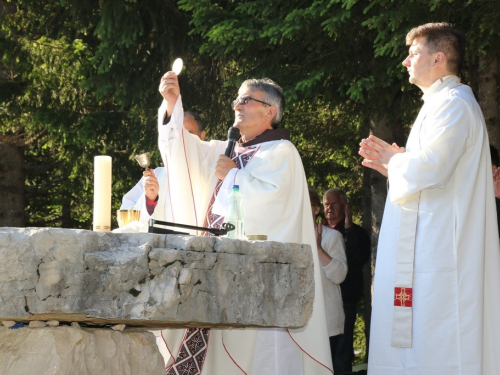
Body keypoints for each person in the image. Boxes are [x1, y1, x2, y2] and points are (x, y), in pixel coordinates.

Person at [155, 73, 334, 374]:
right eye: (237, 98)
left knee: (260, 359)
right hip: (214, 271)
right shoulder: (224, 150)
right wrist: (172, 105)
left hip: (261, 282)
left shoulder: (282, 152)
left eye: (246, 99)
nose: (237, 104)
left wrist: (233, 176)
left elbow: (273, 205)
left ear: (269, 112)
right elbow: (184, 153)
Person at [359, 22, 500, 374]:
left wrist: (395, 161)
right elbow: (427, 168)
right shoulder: (438, 102)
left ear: (438, 58)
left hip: (443, 252)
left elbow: (432, 167)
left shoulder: (454, 103)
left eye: (413, 54)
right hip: (426, 246)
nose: (406, 62)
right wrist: (395, 163)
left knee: (440, 341)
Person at [120, 111, 206, 225]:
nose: (183, 142)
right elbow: (125, 219)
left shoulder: (210, 174)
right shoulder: (157, 176)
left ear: (202, 136)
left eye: (189, 134)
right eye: (178, 136)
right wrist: (150, 200)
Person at [322, 189, 370, 373]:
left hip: (345, 301)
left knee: (341, 352)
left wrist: (349, 228)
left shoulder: (356, 232)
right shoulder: (319, 230)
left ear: (344, 206)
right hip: (324, 300)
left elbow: (358, 258)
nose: (329, 208)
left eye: (334, 203)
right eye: (326, 204)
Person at [309, 187, 348, 373]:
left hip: (328, 327)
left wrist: (318, 249)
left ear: (316, 209)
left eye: (304, 204)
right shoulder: (288, 238)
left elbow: (340, 275)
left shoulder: (332, 236)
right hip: (301, 327)